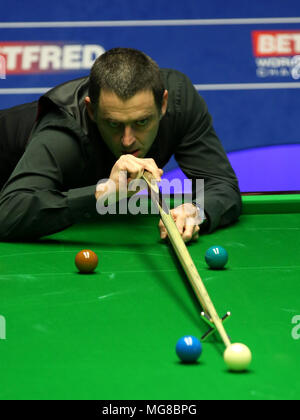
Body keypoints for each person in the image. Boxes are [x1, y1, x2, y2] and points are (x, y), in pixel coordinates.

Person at [0, 47, 241, 242]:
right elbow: (8, 213)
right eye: (114, 124)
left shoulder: (180, 101)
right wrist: (103, 194)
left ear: (163, 104)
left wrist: (196, 211)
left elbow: (222, 184)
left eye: (142, 121)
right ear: (91, 110)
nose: (127, 140)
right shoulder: (64, 130)